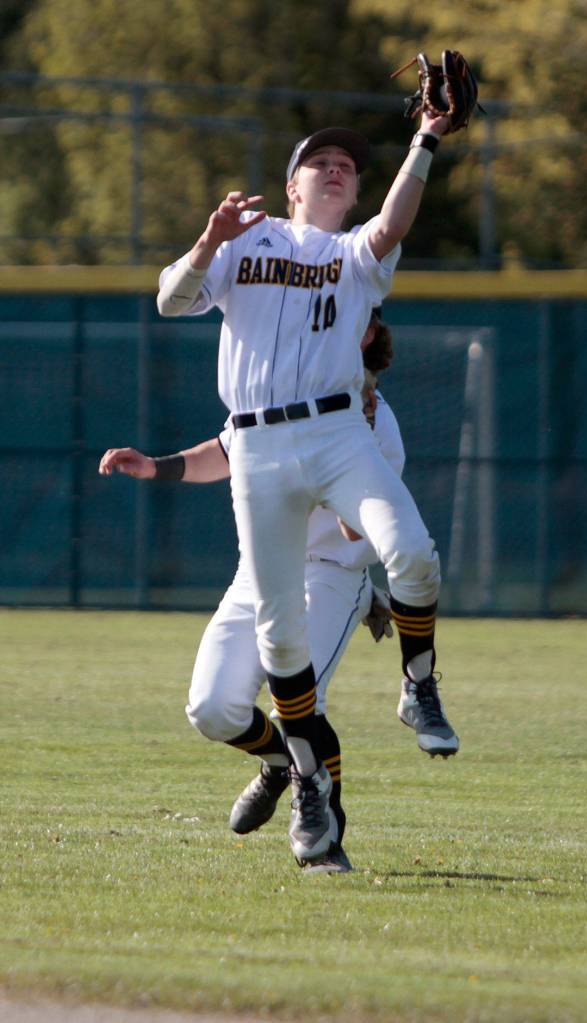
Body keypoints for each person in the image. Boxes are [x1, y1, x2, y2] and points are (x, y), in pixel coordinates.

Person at [155, 110, 458, 864]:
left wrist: (425, 139)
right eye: (319, 161)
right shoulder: (244, 243)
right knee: (273, 644)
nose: (335, 168)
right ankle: (306, 785)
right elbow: (170, 299)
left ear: (355, 194)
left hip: (333, 431)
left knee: (415, 553)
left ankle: (418, 686)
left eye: (348, 167)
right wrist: (207, 240)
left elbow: (391, 227)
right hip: (256, 442)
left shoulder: (355, 254)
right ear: (290, 186)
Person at [100, 314, 414, 874]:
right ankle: (284, 763)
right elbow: (222, 453)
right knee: (213, 708)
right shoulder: (273, 388)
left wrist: (353, 454)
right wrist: (154, 467)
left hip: (331, 573)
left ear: (363, 336)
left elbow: (355, 530)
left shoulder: (377, 424)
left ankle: (321, 836)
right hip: (263, 566)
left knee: (299, 696)